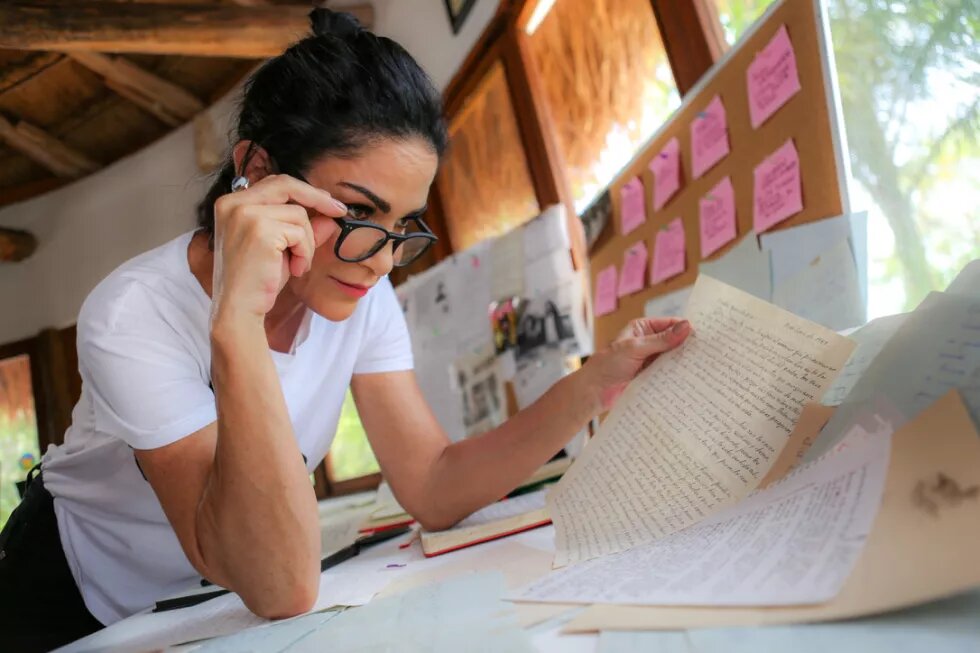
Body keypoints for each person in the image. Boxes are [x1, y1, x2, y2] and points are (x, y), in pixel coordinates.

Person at [0, 9, 691, 651]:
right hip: (66, 586)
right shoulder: (134, 312)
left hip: (204, 598)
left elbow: (432, 481)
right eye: (360, 213)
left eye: (401, 228)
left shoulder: (362, 289)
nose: (382, 260)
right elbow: (280, 582)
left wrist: (594, 384)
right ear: (258, 173)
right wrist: (237, 321)